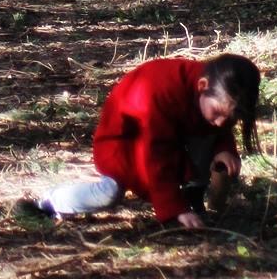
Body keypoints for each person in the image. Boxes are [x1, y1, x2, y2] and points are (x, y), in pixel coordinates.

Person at [18, 52, 261, 229]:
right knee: (109, 193)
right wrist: (172, 209)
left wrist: (224, 148)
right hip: (126, 142)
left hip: (174, 138)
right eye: (218, 113)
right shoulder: (162, 92)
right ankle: (53, 200)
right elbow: (155, 155)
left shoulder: (215, 95)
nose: (220, 123)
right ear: (202, 86)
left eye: (228, 119)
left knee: (209, 138)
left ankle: (194, 196)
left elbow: (217, 127)